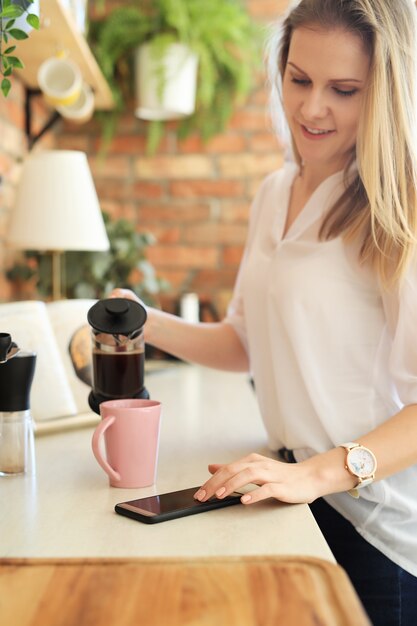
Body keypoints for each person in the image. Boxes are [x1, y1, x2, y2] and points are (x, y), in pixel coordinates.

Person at [111, 1, 417, 622]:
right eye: (299, 78)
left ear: (385, 92)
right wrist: (144, 320)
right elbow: (246, 341)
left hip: (377, 526)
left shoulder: (395, 208)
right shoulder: (274, 192)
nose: (311, 108)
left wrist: (319, 473)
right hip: (295, 492)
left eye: (345, 89)